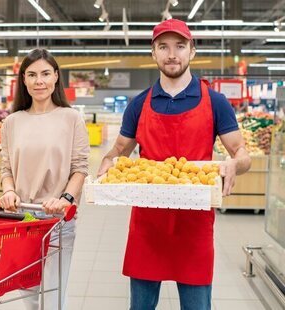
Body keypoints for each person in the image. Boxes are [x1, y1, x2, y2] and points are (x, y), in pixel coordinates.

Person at [98, 19, 251, 310]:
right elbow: (118, 151)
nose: (172, 54)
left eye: (180, 46)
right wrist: (107, 167)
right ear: (153, 53)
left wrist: (235, 164)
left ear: (192, 50)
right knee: (140, 307)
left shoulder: (215, 102)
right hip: (148, 224)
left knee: (197, 306)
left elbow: (241, 152)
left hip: (195, 224)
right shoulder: (139, 104)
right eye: (163, 47)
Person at [0, 48, 89, 309]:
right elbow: (7, 170)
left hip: (58, 219)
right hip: (21, 218)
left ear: (56, 77)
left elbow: (80, 168)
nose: (39, 81)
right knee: (27, 294)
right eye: (32, 75)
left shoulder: (71, 118)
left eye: (46, 74)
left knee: (53, 295)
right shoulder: (12, 122)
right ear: (24, 80)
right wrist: (8, 191)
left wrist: (66, 198)